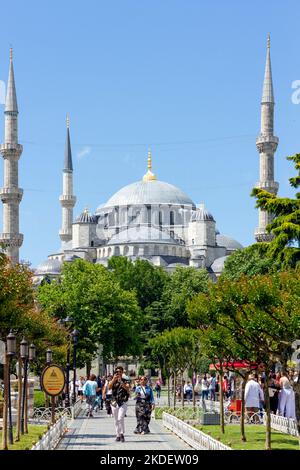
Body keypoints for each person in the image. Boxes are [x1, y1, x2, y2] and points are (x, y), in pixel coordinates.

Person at [108, 366, 130, 442]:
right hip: (114, 402)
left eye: (120, 372)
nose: (119, 373)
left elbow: (127, 388)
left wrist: (121, 382)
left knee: (120, 418)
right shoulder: (112, 380)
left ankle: (122, 434)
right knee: (116, 420)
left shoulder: (125, 380)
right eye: (117, 372)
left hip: (123, 401)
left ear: (122, 372)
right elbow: (109, 387)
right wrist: (114, 379)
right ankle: (117, 435)